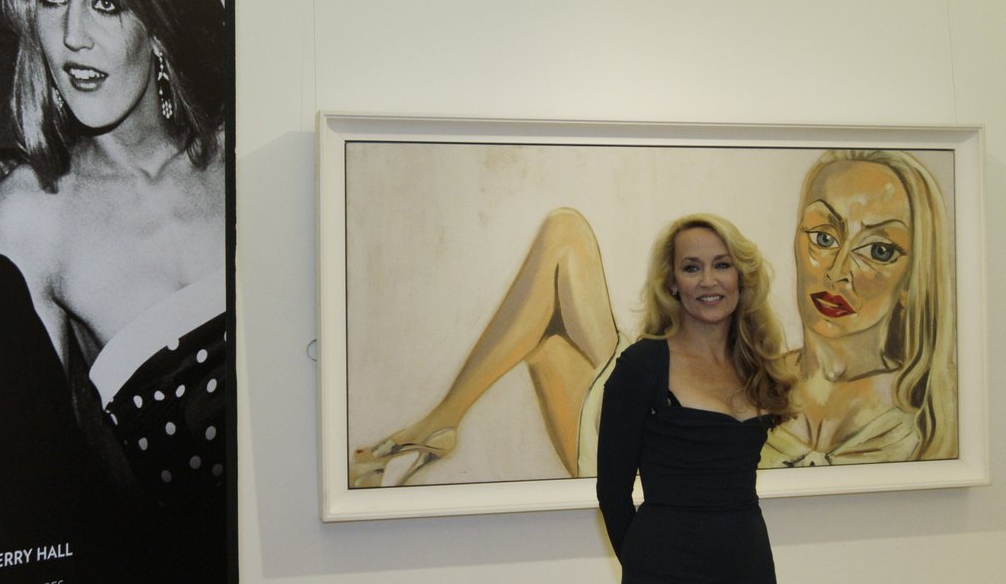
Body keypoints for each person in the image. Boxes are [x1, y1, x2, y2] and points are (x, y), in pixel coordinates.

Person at [0, 0, 226, 577]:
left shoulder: (239, 157)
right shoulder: (32, 216)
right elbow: (38, 495)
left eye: (106, 1)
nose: (71, 38)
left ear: (157, 17)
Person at [350, 207, 622, 485]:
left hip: (640, 435)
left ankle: (440, 421)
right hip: (626, 436)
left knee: (565, 232)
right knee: (546, 340)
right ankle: (440, 422)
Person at [596, 214, 793, 583]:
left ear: (741, 275)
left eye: (722, 265)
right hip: (664, 567)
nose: (708, 280)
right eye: (691, 268)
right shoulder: (642, 366)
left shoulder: (757, 362)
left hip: (749, 562)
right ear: (672, 282)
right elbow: (612, 493)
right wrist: (644, 566)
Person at [760, 149, 957, 467]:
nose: (837, 273)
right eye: (823, 238)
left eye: (879, 251)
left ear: (912, 278)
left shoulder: (938, 407)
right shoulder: (749, 380)